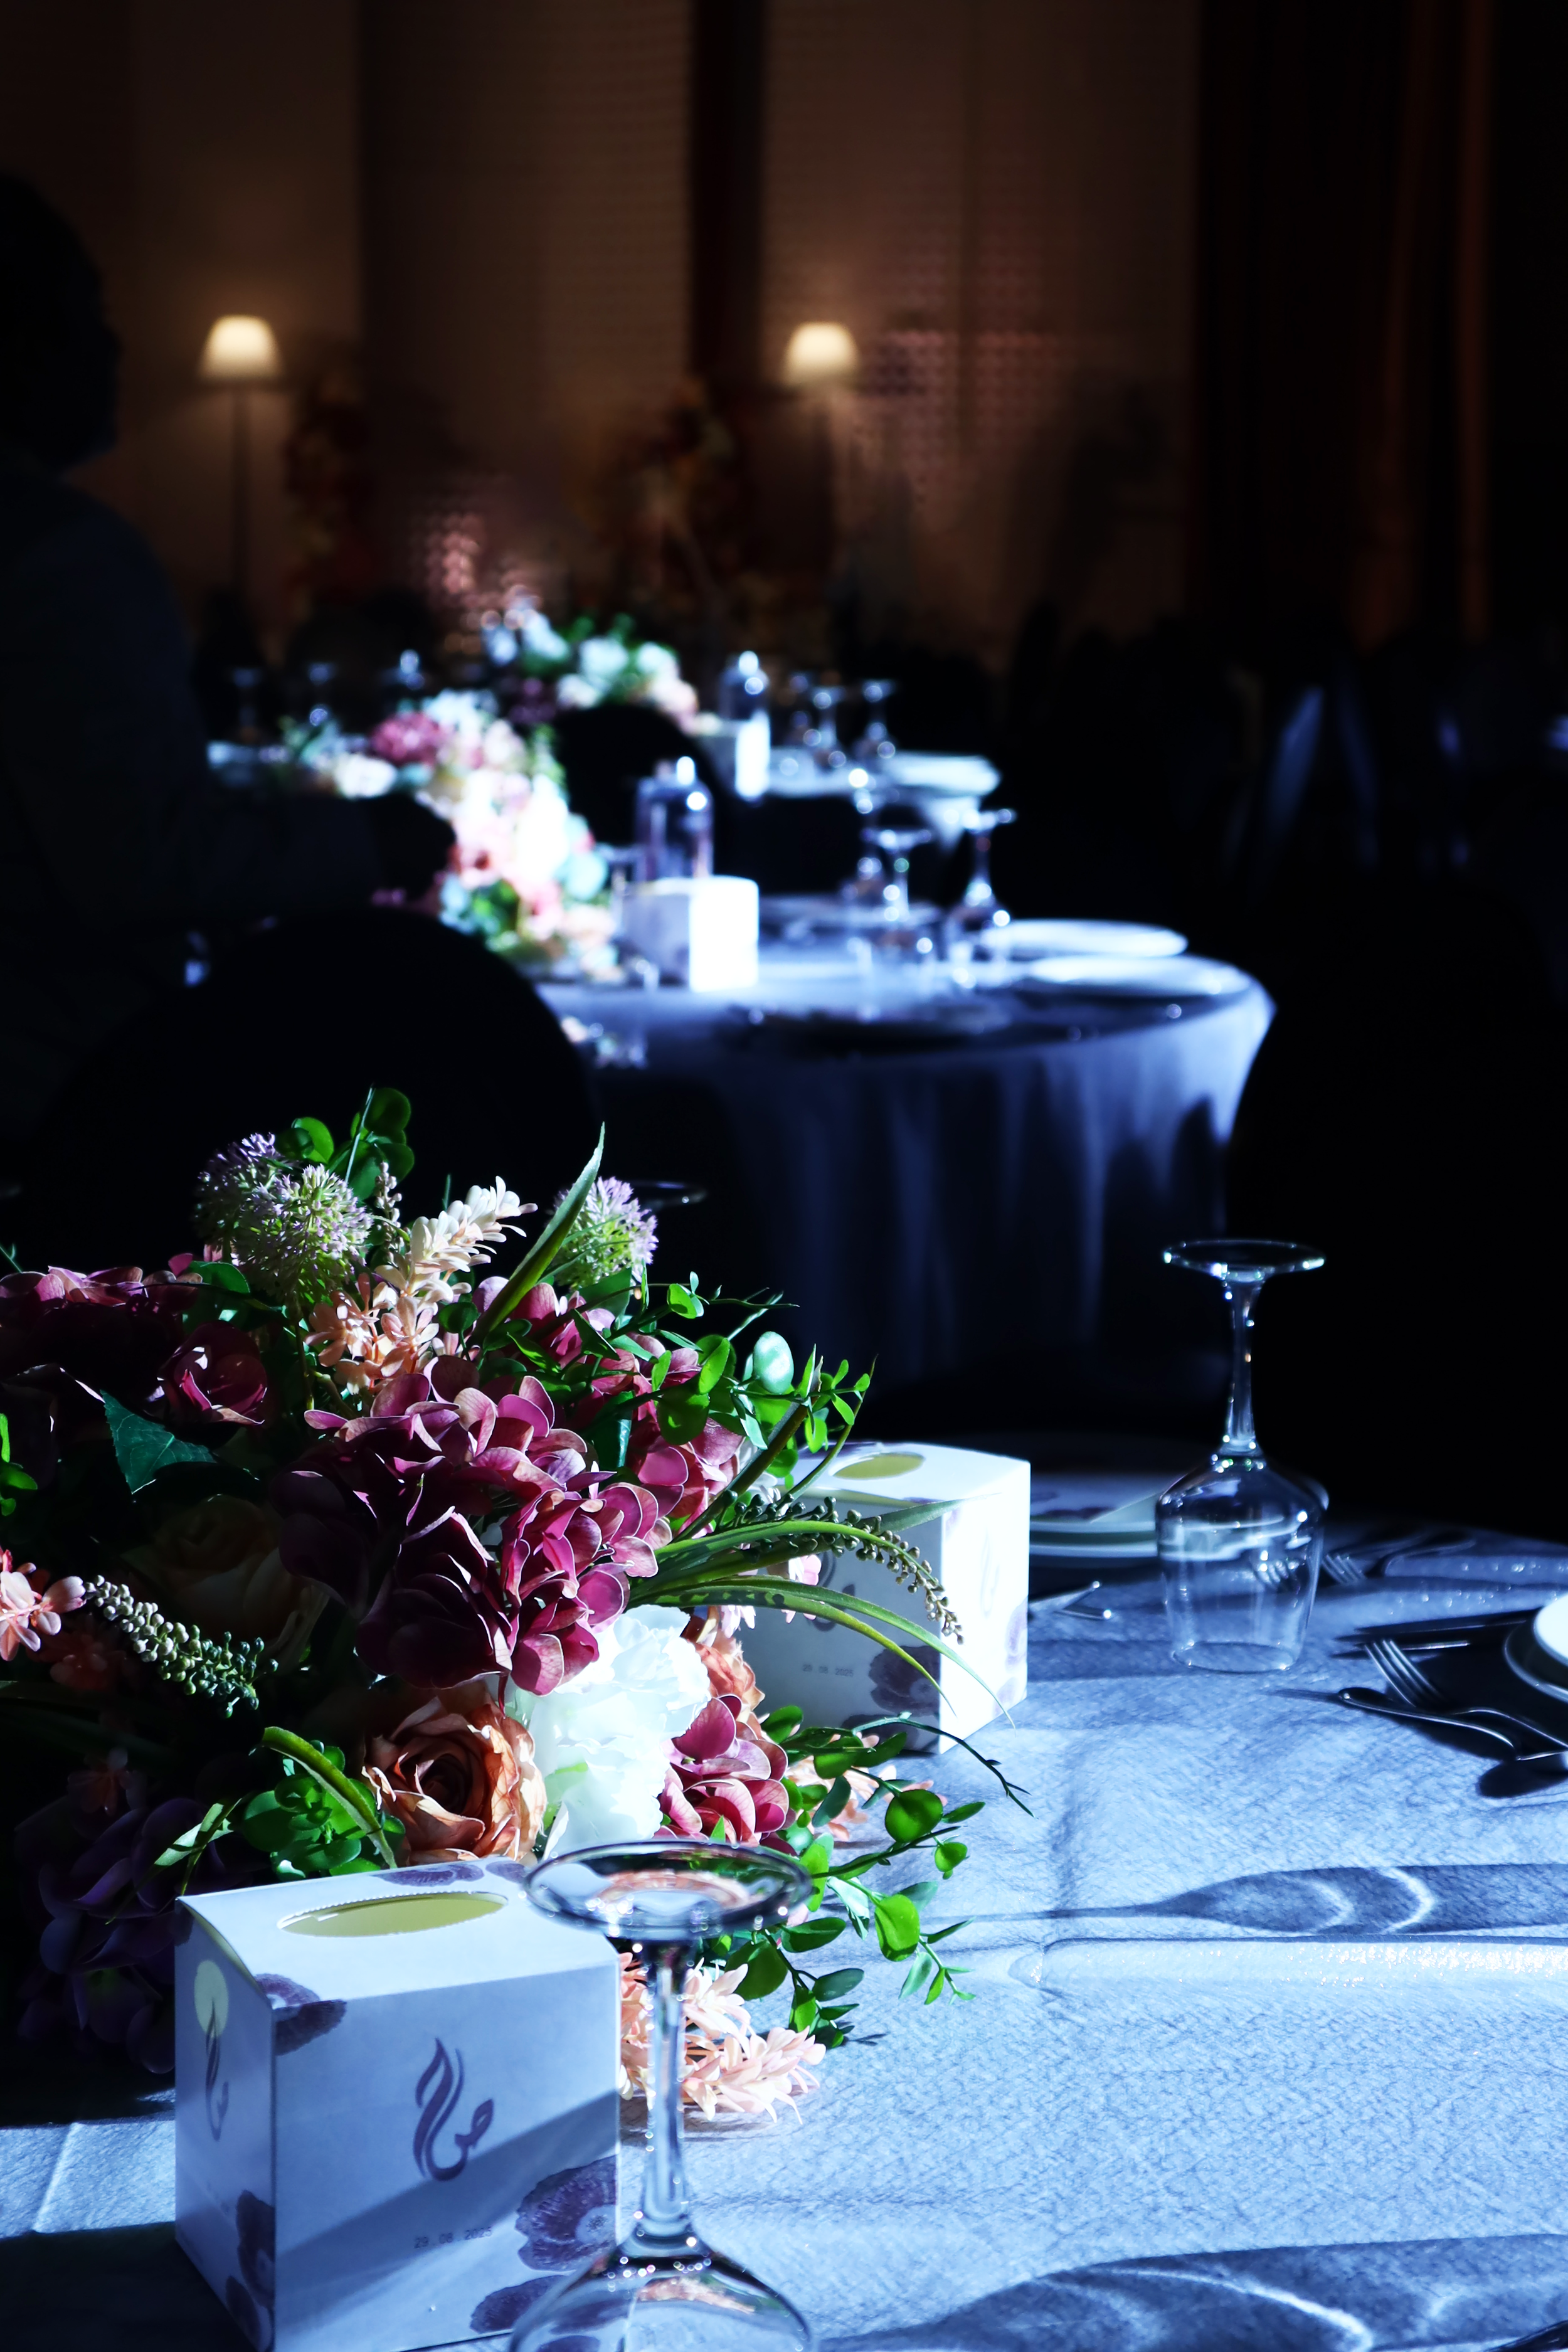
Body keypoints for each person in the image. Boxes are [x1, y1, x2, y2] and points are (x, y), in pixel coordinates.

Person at [0, 175, 454, 1150]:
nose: (115, 350)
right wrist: (372, 841)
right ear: (20, 343)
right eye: (90, 314)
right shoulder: (58, 557)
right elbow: (137, 858)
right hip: (50, 1088)